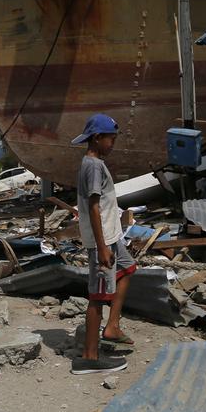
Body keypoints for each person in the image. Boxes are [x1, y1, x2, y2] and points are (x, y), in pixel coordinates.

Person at [71, 113, 136, 375]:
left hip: (112, 236)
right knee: (98, 296)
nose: (113, 144)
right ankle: (89, 357)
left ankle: (112, 326)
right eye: (111, 139)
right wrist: (102, 248)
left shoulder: (94, 162)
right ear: (97, 138)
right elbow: (94, 207)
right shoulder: (94, 166)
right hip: (103, 240)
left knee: (128, 269)